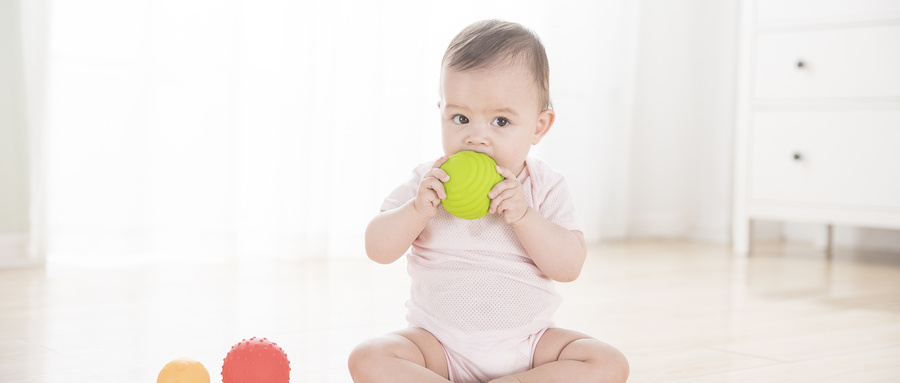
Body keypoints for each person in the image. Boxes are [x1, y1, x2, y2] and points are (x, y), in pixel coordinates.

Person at [349, 19, 629, 383]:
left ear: (538, 126)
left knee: (607, 363)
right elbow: (378, 248)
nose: (476, 137)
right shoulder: (428, 182)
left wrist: (525, 216)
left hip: (529, 346)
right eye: (460, 118)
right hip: (437, 346)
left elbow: (569, 265)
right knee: (369, 357)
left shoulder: (545, 186)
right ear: (441, 113)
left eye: (500, 121)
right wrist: (417, 211)